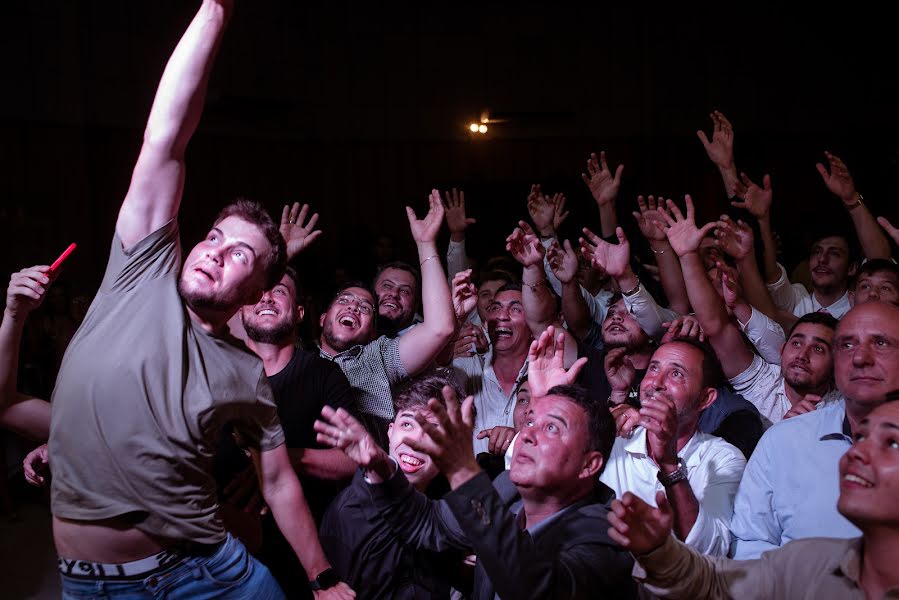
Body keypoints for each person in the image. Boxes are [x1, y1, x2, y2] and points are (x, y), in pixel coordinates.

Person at [42, 3, 353, 597]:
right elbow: (165, 140)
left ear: (258, 292)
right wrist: (215, 10)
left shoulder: (242, 372)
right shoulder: (138, 278)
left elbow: (280, 480)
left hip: (207, 574)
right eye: (213, 236)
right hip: (94, 583)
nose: (213, 250)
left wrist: (323, 578)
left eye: (239, 254)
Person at [315, 328, 636, 599]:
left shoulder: (607, 538)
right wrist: (382, 468)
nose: (526, 434)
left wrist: (462, 471)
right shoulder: (508, 488)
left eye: (551, 427)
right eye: (530, 420)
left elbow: (535, 587)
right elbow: (430, 525)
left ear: (589, 465)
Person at [608, 398, 899, 600]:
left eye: (893, 442)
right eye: (860, 437)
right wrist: (659, 550)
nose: (856, 453)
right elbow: (716, 584)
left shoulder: (722, 456)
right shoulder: (811, 560)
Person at [219, 266, 358, 596]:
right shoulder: (216, 370)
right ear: (241, 309)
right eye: (257, 292)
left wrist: (278, 462)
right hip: (220, 552)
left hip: (302, 557)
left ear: (298, 313)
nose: (266, 296)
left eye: (279, 290)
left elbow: (352, 461)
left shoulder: (324, 375)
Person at [729, 301, 899, 559]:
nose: (861, 357)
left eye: (880, 343)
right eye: (848, 345)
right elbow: (750, 544)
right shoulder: (782, 440)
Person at [315, 190, 456, 445]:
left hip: (367, 475)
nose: (354, 307)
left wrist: (425, 244)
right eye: (344, 300)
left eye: (365, 307)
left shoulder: (378, 356)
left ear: (372, 331)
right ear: (323, 318)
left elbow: (440, 328)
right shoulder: (299, 357)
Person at [318, 371, 465, 599]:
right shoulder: (350, 515)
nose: (414, 441)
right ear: (390, 432)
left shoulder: (451, 502)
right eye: (407, 424)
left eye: (433, 429)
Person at [599, 338, 746, 556]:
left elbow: (710, 551)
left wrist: (669, 464)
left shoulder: (724, 458)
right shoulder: (618, 436)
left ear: (705, 398)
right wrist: (600, 433)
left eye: (676, 373)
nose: (656, 383)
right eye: (653, 368)